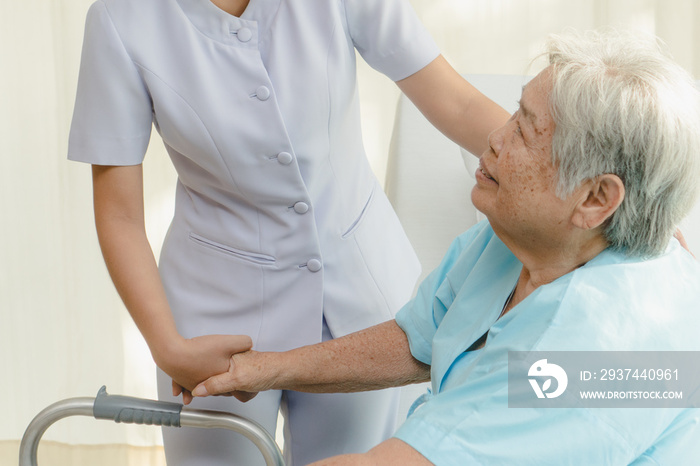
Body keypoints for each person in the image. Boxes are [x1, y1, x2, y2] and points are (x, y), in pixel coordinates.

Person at [192, 30, 700, 465]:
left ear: (595, 198)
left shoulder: (599, 356)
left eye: (524, 130)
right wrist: (266, 367)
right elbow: (421, 337)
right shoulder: (521, 239)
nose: (495, 138)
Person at [67, 0, 509, 464]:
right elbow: (120, 215)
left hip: (357, 300)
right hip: (213, 318)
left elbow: (456, 103)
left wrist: (563, 177)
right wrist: (167, 345)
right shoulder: (121, 20)